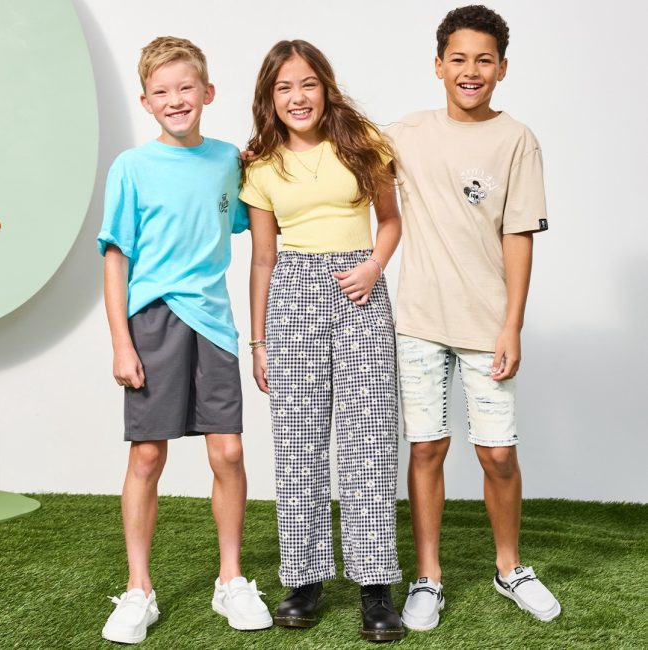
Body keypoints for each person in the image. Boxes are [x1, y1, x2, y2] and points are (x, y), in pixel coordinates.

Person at [388, 5, 561, 630]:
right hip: (419, 322)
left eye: (484, 60)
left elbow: (519, 236)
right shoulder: (404, 133)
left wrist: (512, 324)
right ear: (438, 65)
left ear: (502, 68)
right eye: (458, 58)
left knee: (498, 456)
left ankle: (509, 567)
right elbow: (334, 148)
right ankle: (428, 576)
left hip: (487, 326)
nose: (470, 70)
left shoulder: (517, 140)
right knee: (427, 447)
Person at [97, 36, 271, 644]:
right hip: (151, 322)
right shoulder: (132, 167)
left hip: (214, 324)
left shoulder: (229, 161)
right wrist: (121, 342)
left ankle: (231, 579)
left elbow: (252, 219)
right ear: (146, 102)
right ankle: (138, 590)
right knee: (147, 456)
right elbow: (115, 259)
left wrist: (257, 161)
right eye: (162, 92)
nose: (175, 100)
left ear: (208, 92)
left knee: (229, 453)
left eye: (185, 88)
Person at [241, 39, 404, 642]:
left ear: (325, 87)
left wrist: (373, 267)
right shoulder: (260, 165)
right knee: (298, 445)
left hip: (359, 291)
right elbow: (263, 258)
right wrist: (259, 342)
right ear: (270, 96)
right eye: (284, 87)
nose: (297, 96)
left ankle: (375, 586)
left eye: (307, 83)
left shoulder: (362, 142)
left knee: (370, 440)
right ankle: (304, 580)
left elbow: (391, 219)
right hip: (293, 297)